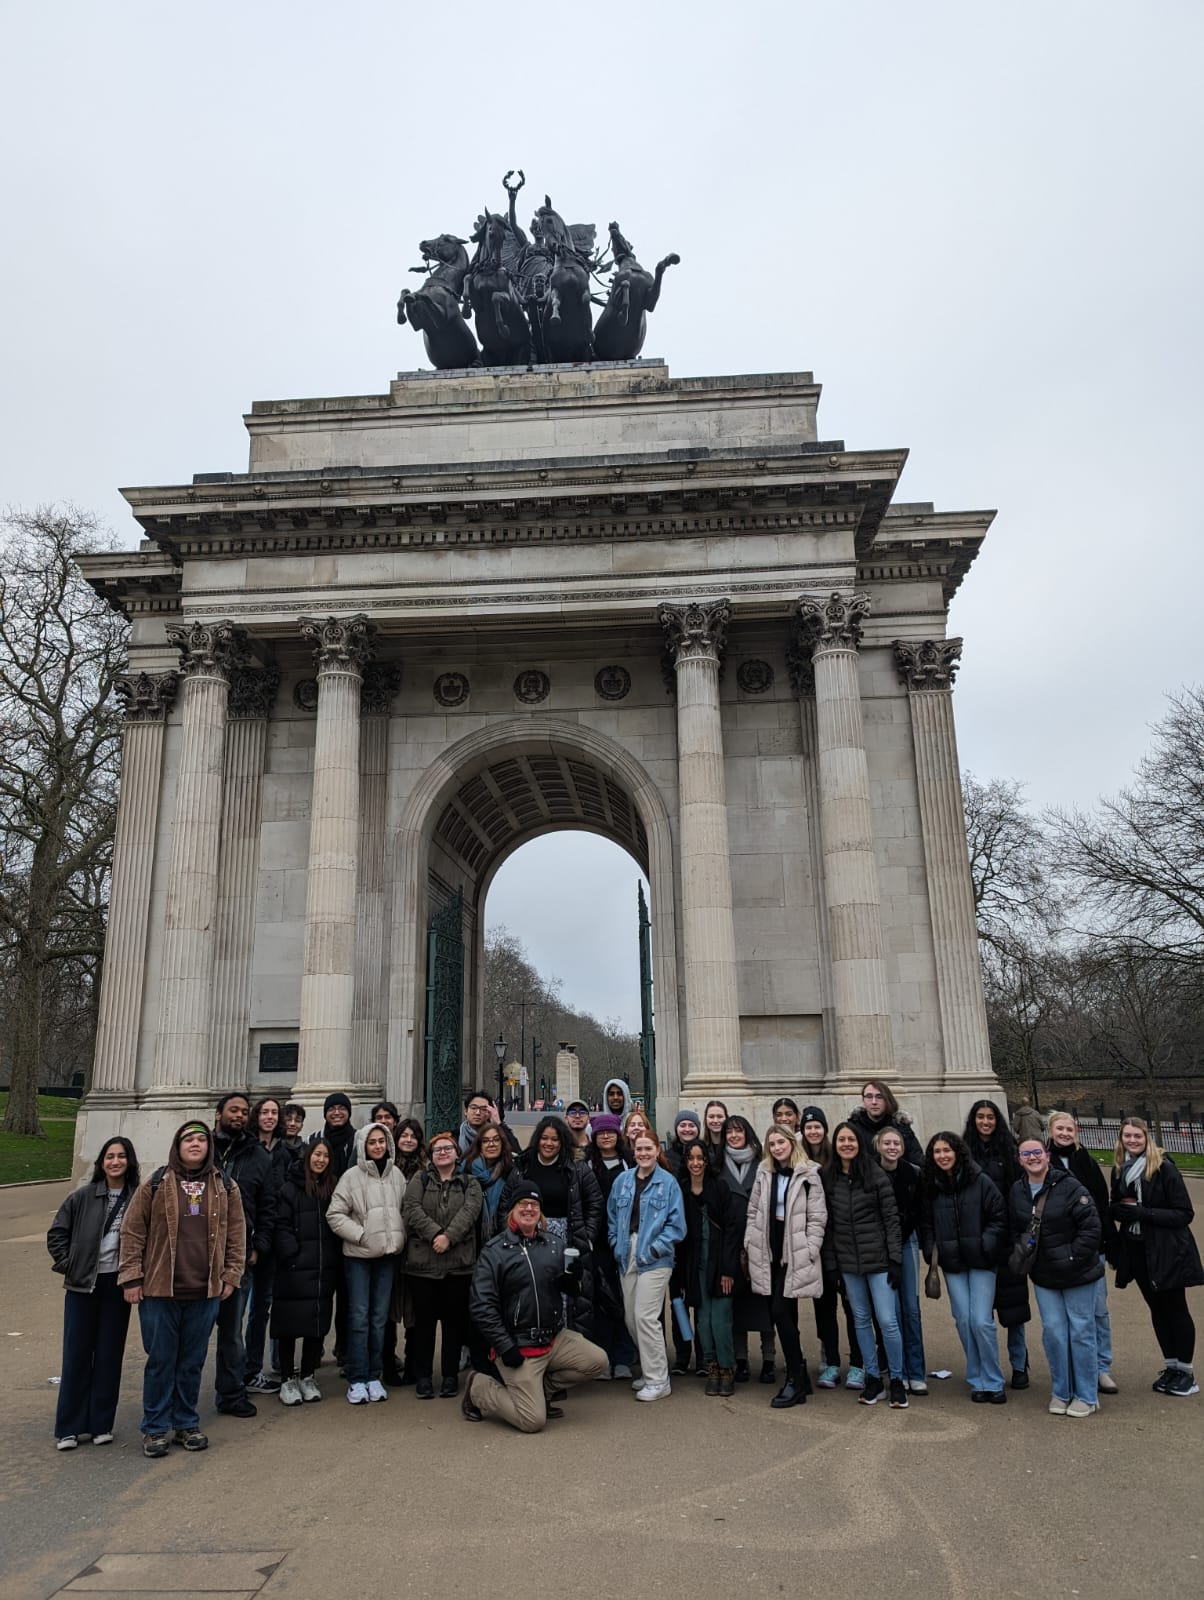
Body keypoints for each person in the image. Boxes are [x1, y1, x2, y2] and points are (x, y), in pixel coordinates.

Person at [117, 1122, 246, 1457]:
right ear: (178, 1145)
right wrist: (131, 1277)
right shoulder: (156, 1184)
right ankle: (155, 1428)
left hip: (205, 1291)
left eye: (202, 1139)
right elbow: (132, 1232)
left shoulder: (226, 1186)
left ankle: (186, 1422)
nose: (195, 1144)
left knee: (191, 1362)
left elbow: (236, 1235)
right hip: (160, 1290)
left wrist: (231, 1275)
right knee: (160, 1360)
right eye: (189, 1139)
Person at [464, 1184, 609, 1431]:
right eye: (523, 1204)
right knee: (532, 1421)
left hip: (552, 1338)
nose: (529, 1209)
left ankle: (542, 1390)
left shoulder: (554, 1244)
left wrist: (573, 1282)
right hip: (517, 1345)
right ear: (512, 1211)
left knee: (598, 1361)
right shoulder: (495, 1251)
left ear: (540, 1212)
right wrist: (504, 1346)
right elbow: (481, 1306)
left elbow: (572, 1291)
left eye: (534, 1205)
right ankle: (478, 1387)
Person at [47, 1137, 140, 1449]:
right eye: (110, 1157)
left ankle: (101, 1423)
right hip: (83, 1284)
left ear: (130, 1161)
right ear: (102, 1163)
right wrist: (69, 1265)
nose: (115, 1162)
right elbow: (57, 1233)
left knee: (109, 1356)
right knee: (76, 1355)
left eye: (121, 1156)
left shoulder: (137, 1199)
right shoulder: (83, 1197)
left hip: (116, 1284)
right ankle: (69, 1426)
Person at [1008, 1138, 1103, 1417]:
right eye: (1026, 1153)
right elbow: (1016, 1229)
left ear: (1047, 1156)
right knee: (1054, 1334)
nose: (1033, 1157)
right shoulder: (1017, 1191)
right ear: (1020, 1159)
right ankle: (1061, 1391)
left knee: (1081, 1331)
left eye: (1037, 1152)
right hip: (1044, 1274)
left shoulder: (1070, 1186)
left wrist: (1072, 1257)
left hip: (1078, 1272)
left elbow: (1091, 1227)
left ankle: (1086, 1395)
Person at [1110, 1117, 1203, 1397]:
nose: (1133, 1140)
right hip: (1138, 1249)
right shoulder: (1120, 1169)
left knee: (1176, 1309)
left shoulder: (1163, 1166)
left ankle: (1186, 1372)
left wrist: (1144, 1213)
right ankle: (1172, 1366)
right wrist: (1118, 1211)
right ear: (1121, 1138)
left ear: (1146, 1137)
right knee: (1157, 1310)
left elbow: (1184, 1212)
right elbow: (1117, 1204)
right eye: (1127, 1135)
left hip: (1167, 1249)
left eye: (1137, 1135)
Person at [919, 1131, 1008, 1404]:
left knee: (982, 1321)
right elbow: (925, 1223)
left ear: (957, 1152)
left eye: (947, 1150)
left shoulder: (980, 1181)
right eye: (937, 1151)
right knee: (964, 1320)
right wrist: (933, 1249)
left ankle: (993, 1379)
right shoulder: (930, 1186)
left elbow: (998, 1216)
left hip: (981, 1260)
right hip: (952, 1262)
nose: (943, 1156)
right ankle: (976, 1377)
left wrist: (985, 1243)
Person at [824, 1123, 907, 1408]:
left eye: (851, 1139)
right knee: (860, 1320)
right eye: (841, 1139)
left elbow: (891, 1219)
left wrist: (896, 1259)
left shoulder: (875, 1174)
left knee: (886, 1321)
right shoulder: (830, 1177)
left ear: (859, 1143)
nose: (846, 1144)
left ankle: (896, 1379)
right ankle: (873, 1377)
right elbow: (829, 1225)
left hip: (879, 1260)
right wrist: (833, 1263)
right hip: (848, 1262)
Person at [744, 1124, 827, 1409]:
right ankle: (800, 1372)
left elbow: (817, 1217)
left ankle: (794, 1378)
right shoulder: (764, 1172)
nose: (777, 1147)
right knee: (783, 1311)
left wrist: (810, 1247)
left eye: (781, 1142)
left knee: (780, 1311)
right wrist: (750, 1239)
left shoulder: (809, 1173)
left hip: (795, 1248)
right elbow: (753, 1208)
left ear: (792, 1142)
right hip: (769, 1246)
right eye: (773, 1143)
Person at [326, 1122, 406, 1404]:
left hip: (387, 1258)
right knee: (359, 1318)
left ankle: (374, 1375)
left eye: (381, 1141)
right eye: (371, 1142)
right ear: (363, 1145)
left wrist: (398, 1239)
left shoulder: (397, 1174)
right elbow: (335, 1214)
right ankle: (357, 1378)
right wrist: (361, 1236)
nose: (377, 1146)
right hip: (359, 1257)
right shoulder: (350, 1176)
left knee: (379, 1318)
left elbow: (404, 1210)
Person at [402, 1131, 483, 1399]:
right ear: (431, 1155)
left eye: (448, 1148)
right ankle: (423, 1377)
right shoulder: (419, 1179)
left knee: (453, 1324)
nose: (443, 1153)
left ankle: (450, 1376)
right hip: (423, 1264)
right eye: (437, 1150)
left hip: (458, 1264)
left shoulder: (470, 1182)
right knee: (423, 1324)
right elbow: (411, 1208)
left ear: (457, 1154)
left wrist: (449, 1237)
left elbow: (471, 1211)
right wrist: (435, 1234)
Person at [607, 1130, 686, 1402]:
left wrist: (654, 1248)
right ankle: (653, 1368)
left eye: (648, 1149)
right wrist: (615, 1241)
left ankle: (658, 1379)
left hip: (655, 1256)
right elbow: (612, 1215)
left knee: (645, 1316)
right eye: (639, 1149)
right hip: (626, 1251)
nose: (643, 1154)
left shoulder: (668, 1183)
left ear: (657, 1151)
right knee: (631, 1318)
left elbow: (677, 1226)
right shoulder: (622, 1181)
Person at [212, 1092, 277, 1415]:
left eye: (242, 1111)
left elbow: (268, 1207)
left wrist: (258, 1247)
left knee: (231, 1331)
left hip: (240, 1255)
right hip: (198, 1257)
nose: (238, 1115)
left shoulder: (259, 1157)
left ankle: (231, 1393)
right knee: (193, 1333)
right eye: (232, 1110)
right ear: (218, 1114)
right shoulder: (200, 1151)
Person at [1046, 1109, 1117, 1392]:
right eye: (1059, 1129)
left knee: (1097, 1311)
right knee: (1063, 1317)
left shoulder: (1086, 1161)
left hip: (1090, 1247)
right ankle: (1075, 1368)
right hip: (1057, 1248)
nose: (1064, 1134)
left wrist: (1111, 1246)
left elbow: (1102, 1205)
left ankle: (1101, 1367)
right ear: (1050, 1131)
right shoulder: (1042, 1160)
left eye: (1069, 1129)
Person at [962, 1099, 1031, 1389]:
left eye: (990, 1117)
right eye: (980, 1117)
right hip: (978, 1239)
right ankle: (988, 1365)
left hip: (1005, 1239)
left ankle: (1019, 1363)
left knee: (1014, 1308)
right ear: (973, 1120)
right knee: (981, 1312)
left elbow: (1018, 1194)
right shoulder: (964, 1153)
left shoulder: (1010, 1152)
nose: (985, 1122)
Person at [271, 1138, 340, 1406]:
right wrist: (293, 1255)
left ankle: (308, 1374)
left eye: (325, 1155)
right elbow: (281, 1224)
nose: (320, 1160)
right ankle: (288, 1378)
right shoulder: (290, 1188)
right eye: (316, 1155)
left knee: (316, 1325)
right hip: (295, 1268)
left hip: (323, 1268)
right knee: (289, 1325)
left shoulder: (332, 1187)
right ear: (308, 1156)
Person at [801, 1105, 864, 1390]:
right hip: (818, 1247)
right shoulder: (798, 1161)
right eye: (808, 1127)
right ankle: (832, 1362)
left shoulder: (837, 1161)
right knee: (824, 1309)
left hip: (845, 1245)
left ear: (825, 1130)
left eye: (818, 1126)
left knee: (854, 1309)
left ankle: (860, 1363)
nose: (813, 1131)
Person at [673, 1141, 741, 1396]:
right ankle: (712, 1366)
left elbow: (732, 1231)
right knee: (703, 1322)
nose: (696, 1163)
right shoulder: (681, 1190)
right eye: (691, 1158)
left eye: (700, 1158)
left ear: (707, 1161)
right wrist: (680, 1276)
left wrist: (728, 1270)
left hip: (719, 1264)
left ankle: (727, 1368)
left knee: (720, 1320)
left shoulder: (720, 1188)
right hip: (695, 1266)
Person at [719, 1116, 776, 1383]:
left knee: (765, 1306)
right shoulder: (719, 1165)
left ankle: (769, 1359)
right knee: (737, 1306)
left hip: (760, 1244)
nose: (733, 1135)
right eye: (729, 1131)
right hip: (731, 1245)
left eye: (738, 1130)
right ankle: (741, 1360)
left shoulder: (764, 1164)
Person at [873, 1127, 928, 1394]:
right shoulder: (871, 1173)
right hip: (881, 1246)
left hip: (907, 1242)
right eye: (887, 1143)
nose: (892, 1147)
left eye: (896, 1143)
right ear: (878, 1146)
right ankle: (899, 1370)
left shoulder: (913, 1173)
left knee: (911, 1308)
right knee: (891, 1312)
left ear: (902, 1148)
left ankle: (916, 1370)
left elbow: (920, 1210)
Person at [242, 1095, 290, 1397]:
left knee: (262, 1308)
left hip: (272, 1239)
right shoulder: (246, 1150)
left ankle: (252, 1369)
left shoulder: (286, 1151)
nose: (270, 1117)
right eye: (265, 1112)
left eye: (274, 1112)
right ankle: (237, 1371)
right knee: (236, 1312)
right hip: (247, 1241)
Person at [584, 1113, 636, 1378]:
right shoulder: (587, 1165)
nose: (606, 1136)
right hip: (598, 1242)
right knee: (602, 1299)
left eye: (610, 1132)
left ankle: (625, 1357)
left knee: (627, 1298)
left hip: (626, 1239)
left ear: (618, 1135)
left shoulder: (631, 1163)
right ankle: (604, 1356)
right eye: (601, 1132)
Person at [848, 1080, 923, 1167]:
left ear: (887, 1100)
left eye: (879, 1097)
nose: (874, 1102)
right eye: (869, 1096)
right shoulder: (853, 1127)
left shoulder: (901, 1127)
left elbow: (917, 1160)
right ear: (863, 1100)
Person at [464, 1124, 514, 1238]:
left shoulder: (511, 1172)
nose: (491, 1144)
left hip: (501, 1236)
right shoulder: (466, 1169)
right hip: (469, 1236)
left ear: (502, 1143)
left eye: (496, 1140)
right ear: (479, 1145)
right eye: (485, 1141)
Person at [458, 1089, 520, 1157]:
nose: (478, 1113)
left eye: (483, 1109)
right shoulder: (455, 1137)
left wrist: (499, 1124)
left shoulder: (497, 1137)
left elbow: (517, 1154)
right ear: (466, 1111)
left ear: (489, 1113)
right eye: (474, 1108)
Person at [312, 1093, 356, 1177]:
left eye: (342, 1108)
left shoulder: (359, 1139)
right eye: (331, 1109)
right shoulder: (314, 1139)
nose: (336, 1112)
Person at [701, 1101, 728, 1169]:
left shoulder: (734, 1146)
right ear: (705, 1119)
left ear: (726, 1118)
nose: (715, 1120)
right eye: (711, 1117)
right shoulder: (701, 1147)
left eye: (720, 1116)